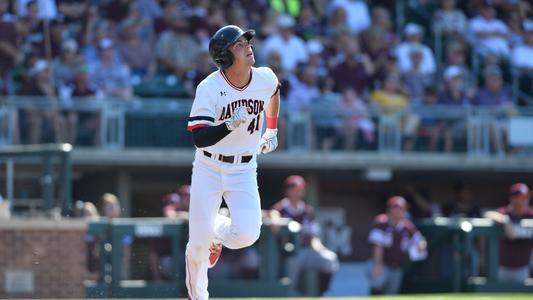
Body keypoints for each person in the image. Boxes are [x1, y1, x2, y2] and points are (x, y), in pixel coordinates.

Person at [185, 25, 280, 300]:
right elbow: (199, 138)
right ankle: (197, 295)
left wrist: (271, 129)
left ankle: (212, 230)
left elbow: (274, 92)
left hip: (244, 167)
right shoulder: (210, 87)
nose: (247, 45)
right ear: (224, 57)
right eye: (239, 44)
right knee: (198, 247)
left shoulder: (264, 77)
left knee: (247, 234)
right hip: (209, 166)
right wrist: (228, 124)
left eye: (246, 41)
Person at [271, 175, 339, 296]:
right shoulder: (279, 209)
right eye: (295, 189)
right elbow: (274, 223)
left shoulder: (308, 211)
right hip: (288, 254)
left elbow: (313, 236)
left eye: (301, 189)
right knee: (289, 286)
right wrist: (274, 217)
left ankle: (324, 294)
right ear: (288, 191)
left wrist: (322, 250)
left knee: (330, 259)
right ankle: (290, 294)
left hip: (307, 250)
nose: (299, 192)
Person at [368, 196, 427, 295]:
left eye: (402, 209)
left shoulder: (407, 226)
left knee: (392, 294)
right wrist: (377, 265)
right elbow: (377, 246)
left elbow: (421, 240)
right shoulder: (382, 223)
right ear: (390, 209)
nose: (400, 211)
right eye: (397, 208)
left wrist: (421, 246)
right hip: (382, 264)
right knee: (377, 287)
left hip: (397, 266)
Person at [484, 183, 533, 284]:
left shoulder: (530, 215)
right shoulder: (505, 213)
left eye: (524, 198)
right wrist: (505, 221)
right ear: (511, 198)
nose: (520, 201)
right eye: (517, 197)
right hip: (502, 268)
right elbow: (488, 214)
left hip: (522, 269)